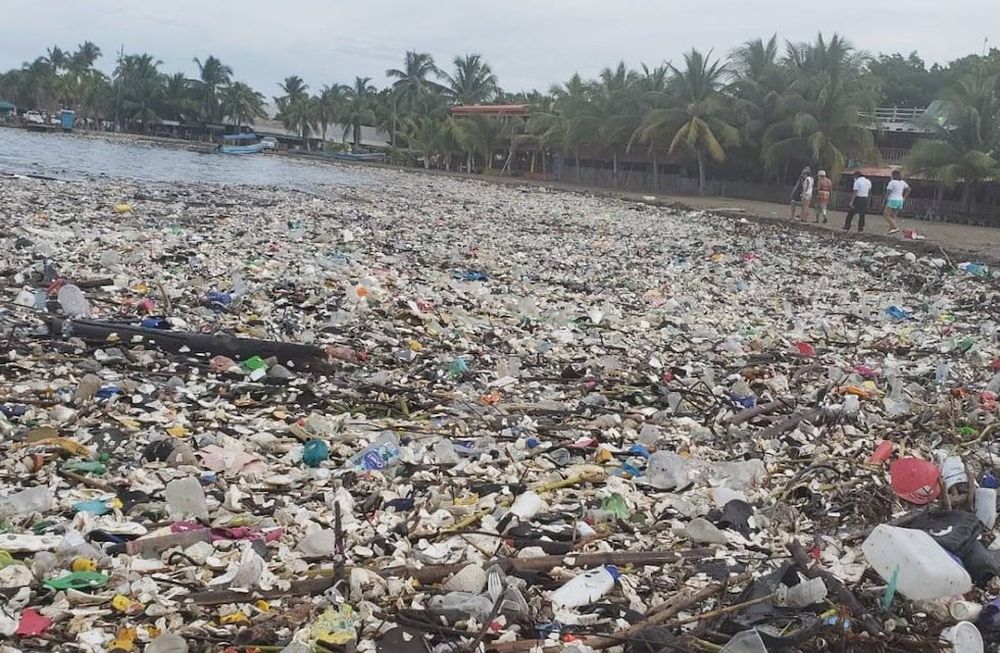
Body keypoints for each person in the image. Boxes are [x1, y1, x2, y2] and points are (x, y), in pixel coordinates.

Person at [883, 169, 910, 234]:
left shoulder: (892, 182)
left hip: (893, 199)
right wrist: (904, 197)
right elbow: (908, 189)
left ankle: (895, 227)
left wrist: (885, 199)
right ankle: (891, 229)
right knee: (893, 215)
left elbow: (888, 192)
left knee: (886, 215)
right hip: (900, 200)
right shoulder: (902, 182)